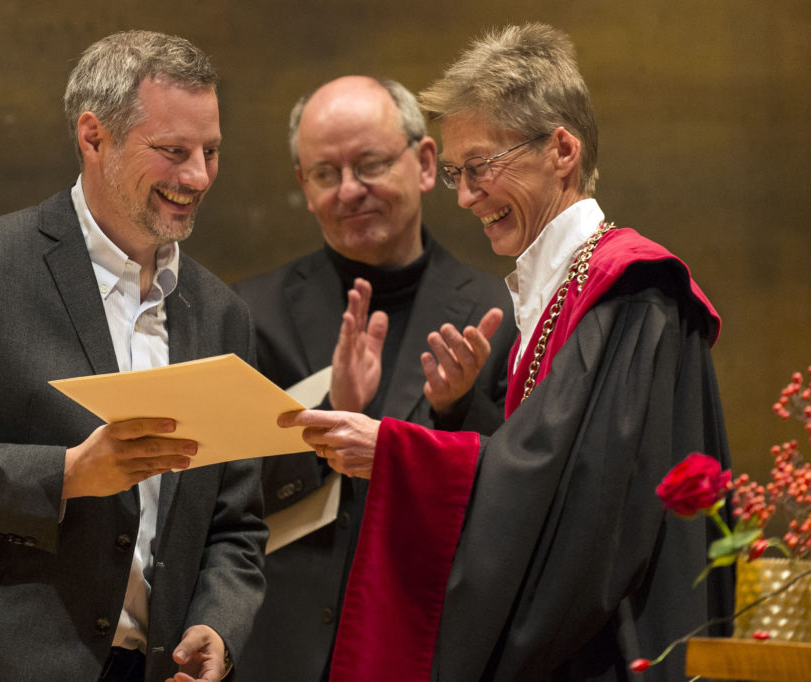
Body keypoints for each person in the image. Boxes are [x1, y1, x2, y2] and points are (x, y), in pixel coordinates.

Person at [280, 24, 732, 681]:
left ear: (561, 151)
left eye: (481, 167)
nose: (464, 197)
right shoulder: (562, 296)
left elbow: (582, 505)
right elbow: (548, 476)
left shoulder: (629, 292)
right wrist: (460, 412)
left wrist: (400, 454)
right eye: (457, 175)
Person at [0, 31, 266, 682]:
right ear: (94, 137)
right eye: (173, 152)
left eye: (210, 152)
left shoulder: (221, 314)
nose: (199, 177)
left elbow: (236, 524)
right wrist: (66, 473)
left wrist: (218, 623)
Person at [233, 75, 515, 681]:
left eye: (370, 164)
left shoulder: (500, 312)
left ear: (424, 162)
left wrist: (456, 411)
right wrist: (333, 411)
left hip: (430, 645)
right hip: (281, 651)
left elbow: (524, 493)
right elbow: (220, 498)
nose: (350, 191)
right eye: (325, 174)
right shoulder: (249, 315)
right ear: (304, 188)